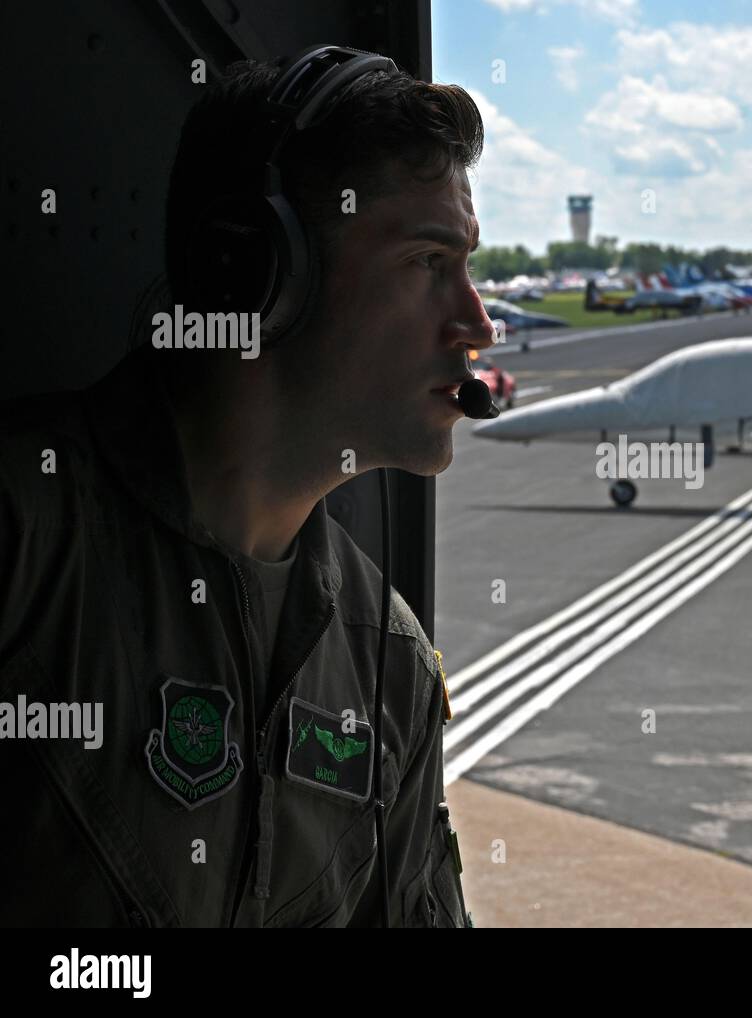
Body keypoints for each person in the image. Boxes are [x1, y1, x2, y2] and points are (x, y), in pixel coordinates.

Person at [0, 49, 494, 926]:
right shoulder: (26, 544)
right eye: (428, 262)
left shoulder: (389, 664)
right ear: (256, 273)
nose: (477, 323)